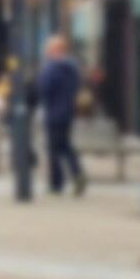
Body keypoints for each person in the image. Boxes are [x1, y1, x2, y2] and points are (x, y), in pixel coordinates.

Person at [37, 34, 87, 196]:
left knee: (54, 148)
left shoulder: (52, 68)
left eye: (49, 49)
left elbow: (44, 89)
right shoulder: (72, 68)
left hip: (53, 112)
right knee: (64, 145)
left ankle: (57, 183)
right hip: (68, 111)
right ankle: (77, 173)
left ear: (54, 50)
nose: (46, 52)